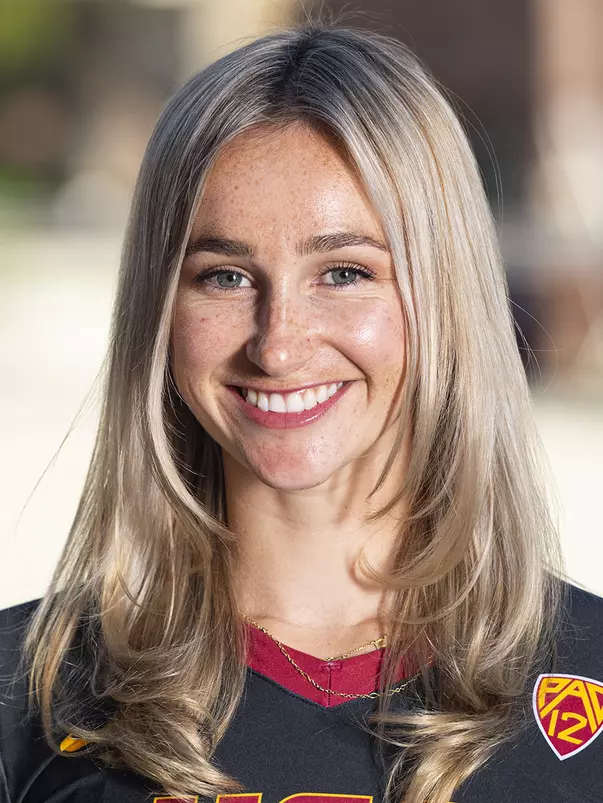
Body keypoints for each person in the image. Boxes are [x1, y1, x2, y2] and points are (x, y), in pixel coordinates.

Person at [1, 21, 602, 803]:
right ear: (158, 307)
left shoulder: (584, 681)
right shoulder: (24, 697)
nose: (278, 344)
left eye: (344, 272)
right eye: (222, 277)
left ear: (444, 296)